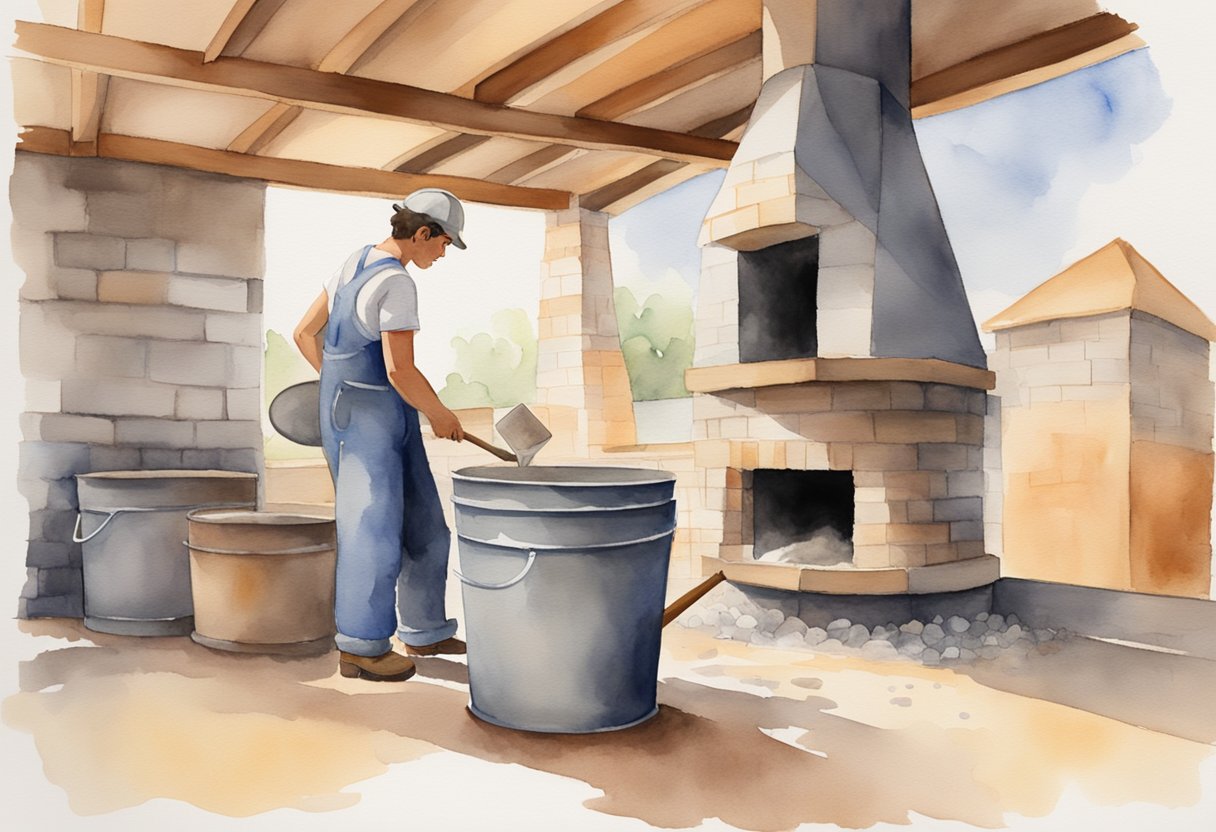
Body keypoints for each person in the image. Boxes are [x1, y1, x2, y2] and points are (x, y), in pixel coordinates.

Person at [294, 188, 469, 682]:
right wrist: (440, 414)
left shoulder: (353, 263)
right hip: (367, 421)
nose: (443, 253)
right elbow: (401, 371)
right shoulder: (397, 284)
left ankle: (425, 629)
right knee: (370, 528)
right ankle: (363, 646)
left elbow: (305, 334)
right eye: (443, 243)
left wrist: (338, 381)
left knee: (427, 527)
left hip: (382, 414)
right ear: (422, 234)